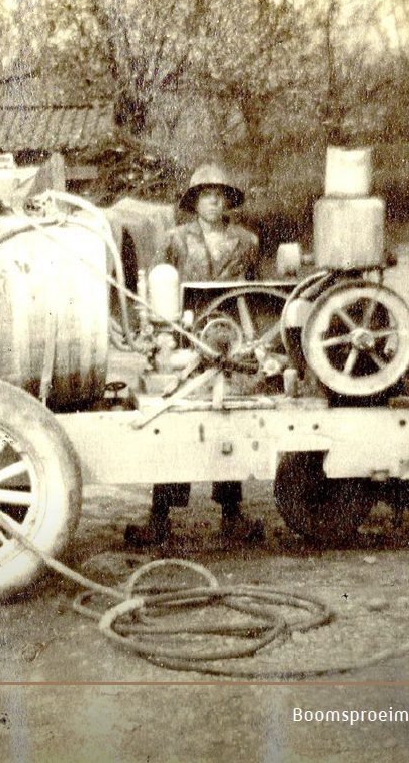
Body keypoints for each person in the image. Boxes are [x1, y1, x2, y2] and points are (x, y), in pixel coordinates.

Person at [125, 164, 265, 547]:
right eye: (205, 195)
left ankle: (232, 514)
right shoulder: (175, 240)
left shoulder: (247, 241)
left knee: (229, 418)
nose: (213, 201)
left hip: (230, 339)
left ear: (228, 201)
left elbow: (255, 295)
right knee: (175, 421)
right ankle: (161, 516)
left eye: (219, 194)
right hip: (186, 338)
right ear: (195, 202)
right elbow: (157, 289)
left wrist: (251, 341)